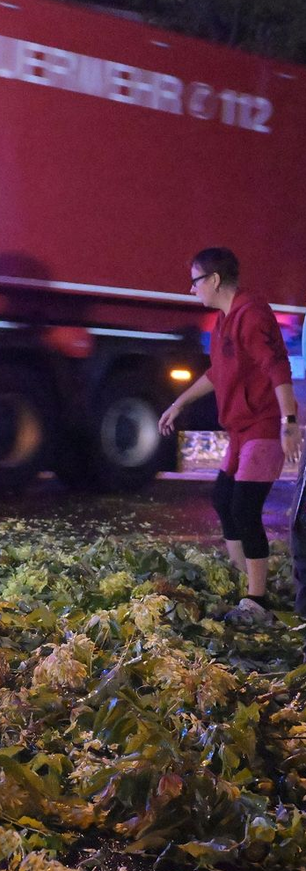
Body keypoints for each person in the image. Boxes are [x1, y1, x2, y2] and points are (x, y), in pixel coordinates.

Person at [159, 247, 302, 623]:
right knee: (223, 498)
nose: (192, 290)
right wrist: (179, 403)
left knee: (244, 507)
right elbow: (216, 375)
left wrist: (290, 423)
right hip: (240, 429)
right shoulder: (224, 319)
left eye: (195, 281)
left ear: (215, 280)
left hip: (265, 426)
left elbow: (278, 369)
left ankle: (258, 601)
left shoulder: (251, 315)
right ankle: (246, 578)